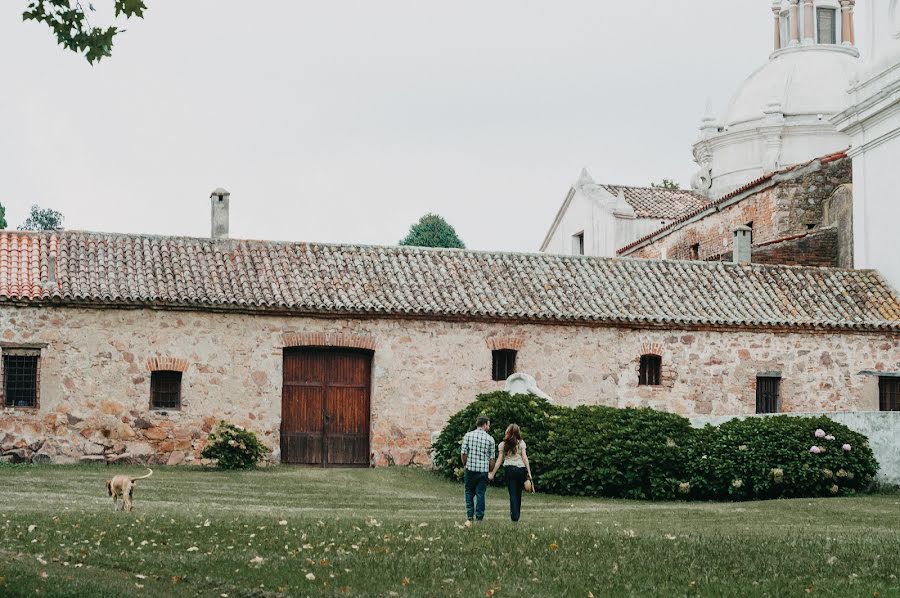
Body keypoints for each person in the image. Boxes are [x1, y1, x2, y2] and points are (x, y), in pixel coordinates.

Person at [488, 424, 532, 522]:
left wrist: (492, 473)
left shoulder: (503, 444)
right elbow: (524, 458)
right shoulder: (521, 443)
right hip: (521, 470)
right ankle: (517, 515)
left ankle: (514, 516)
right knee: (518, 493)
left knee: (512, 493)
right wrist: (529, 472)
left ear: (507, 432)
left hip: (509, 469)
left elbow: (499, 460)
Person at [460, 415, 496, 523]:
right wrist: (490, 470)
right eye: (488, 425)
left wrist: (465, 464)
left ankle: (469, 516)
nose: (488, 427)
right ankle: (479, 517)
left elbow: (463, 453)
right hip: (483, 470)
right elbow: (492, 458)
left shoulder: (468, 435)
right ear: (484, 425)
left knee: (469, 492)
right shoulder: (490, 439)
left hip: (470, 468)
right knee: (480, 494)